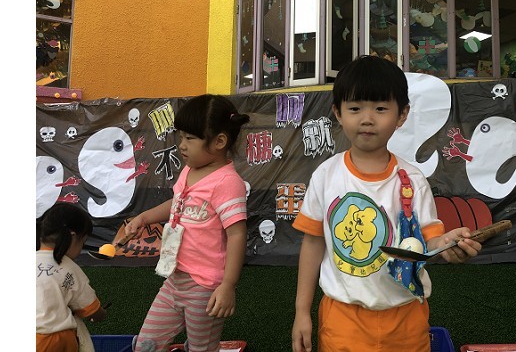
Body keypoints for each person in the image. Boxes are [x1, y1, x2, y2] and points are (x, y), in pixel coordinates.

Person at [291, 55, 482, 352]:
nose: (367, 119)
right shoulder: (325, 176)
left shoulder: (413, 180)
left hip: (406, 317)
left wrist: (448, 244)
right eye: (355, 108)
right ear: (338, 113)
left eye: (380, 108)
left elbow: (429, 240)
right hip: (342, 319)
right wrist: (301, 312)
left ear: (402, 115)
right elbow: (313, 243)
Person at [125, 94, 250, 352]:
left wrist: (228, 285)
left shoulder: (227, 183)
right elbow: (177, 203)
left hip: (205, 287)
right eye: (181, 136)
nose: (182, 145)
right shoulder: (189, 170)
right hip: (175, 278)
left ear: (219, 141)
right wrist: (144, 217)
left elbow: (237, 235)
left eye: (190, 138)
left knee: (201, 348)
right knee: (146, 345)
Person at [36, 203, 109, 352]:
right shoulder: (69, 267)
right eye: (83, 242)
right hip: (54, 340)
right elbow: (91, 309)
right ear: (73, 238)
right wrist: (101, 314)